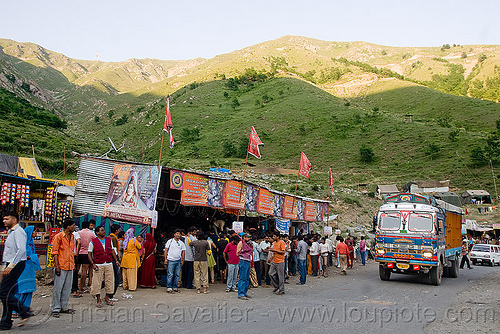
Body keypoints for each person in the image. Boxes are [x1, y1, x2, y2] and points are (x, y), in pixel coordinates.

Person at [0, 212, 33, 329]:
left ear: (14, 220)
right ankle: (6, 322)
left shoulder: (19, 232)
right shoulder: (11, 232)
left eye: (6, 219)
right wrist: (5, 267)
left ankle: (24, 311)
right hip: (10, 264)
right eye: (3, 219)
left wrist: (11, 266)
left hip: (16, 264)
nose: (4, 221)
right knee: (8, 293)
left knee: (3, 292)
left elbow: (21, 251)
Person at [51, 218, 76, 317]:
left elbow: (71, 252)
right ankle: (55, 308)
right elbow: (55, 252)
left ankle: (64, 306)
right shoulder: (59, 237)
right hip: (61, 265)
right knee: (58, 288)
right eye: (73, 225)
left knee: (67, 288)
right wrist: (56, 266)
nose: (74, 227)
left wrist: (73, 264)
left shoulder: (72, 237)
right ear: (68, 226)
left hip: (69, 265)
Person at [88, 226, 118, 307]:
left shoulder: (109, 240)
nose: (103, 231)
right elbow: (89, 253)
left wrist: (116, 260)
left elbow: (112, 250)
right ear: (97, 232)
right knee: (97, 282)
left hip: (108, 263)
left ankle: (107, 297)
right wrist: (92, 264)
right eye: (101, 230)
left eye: (104, 230)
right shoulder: (93, 242)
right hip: (98, 264)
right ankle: (98, 299)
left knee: (110, 281)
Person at [14, 226, 40, 316]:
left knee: (29, 289)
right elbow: (21, 254)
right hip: (23, 268)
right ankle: (15, 310)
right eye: (34, 232)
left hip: (30, 268)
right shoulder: (23, 243)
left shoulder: (31, 243)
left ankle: (25, 309)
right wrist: (31, 257)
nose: (36, 234)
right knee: (21, 289)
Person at [164, 229, 185, 293]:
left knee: (177, 274)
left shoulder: (181, 243)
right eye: (176, 233)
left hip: (178, 260)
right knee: (170, 274)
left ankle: (175, 287)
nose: (178, 235)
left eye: (179, 234)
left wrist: (182, 260)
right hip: (171, 260)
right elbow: (166, 250)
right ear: (174, 235)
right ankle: (169, 287)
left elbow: (183, 252)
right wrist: (165, 259)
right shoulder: (170, 241)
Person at [77, 220, 96, 294]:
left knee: (76, 270)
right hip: (86, 253)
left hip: (78, 253)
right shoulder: (91, 234)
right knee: (84, 271)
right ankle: (82, 287)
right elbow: (95, 242)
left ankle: (75, 286)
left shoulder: (78, 233)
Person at [236, 233, 253, 300]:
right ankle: (241, 294)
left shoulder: (247, 244)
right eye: (247, 238)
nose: (249, 239)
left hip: (248, 261)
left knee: (246, 278)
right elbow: (237, 253)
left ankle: (245, 292)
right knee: (242, 278)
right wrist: (245, 254)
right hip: (243, 261)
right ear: (244, 237)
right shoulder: (241, 243)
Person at [108, 224, 121, 300]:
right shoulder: (113, 238)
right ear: (116, 230)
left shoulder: (110, 237)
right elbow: (114, 250)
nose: (119, 231)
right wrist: (116, 259)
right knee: (116, 278)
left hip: (111, 259)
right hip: (113, 259)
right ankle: (111, 295)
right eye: (118, 229)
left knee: (110, 277)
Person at [71, 227, 82, 298]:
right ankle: (74, 290)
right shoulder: (75, 234)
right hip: (73, 255)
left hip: (66, 256)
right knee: (75, 272)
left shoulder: (61, 234)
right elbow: (79, 242)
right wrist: (77, 253)